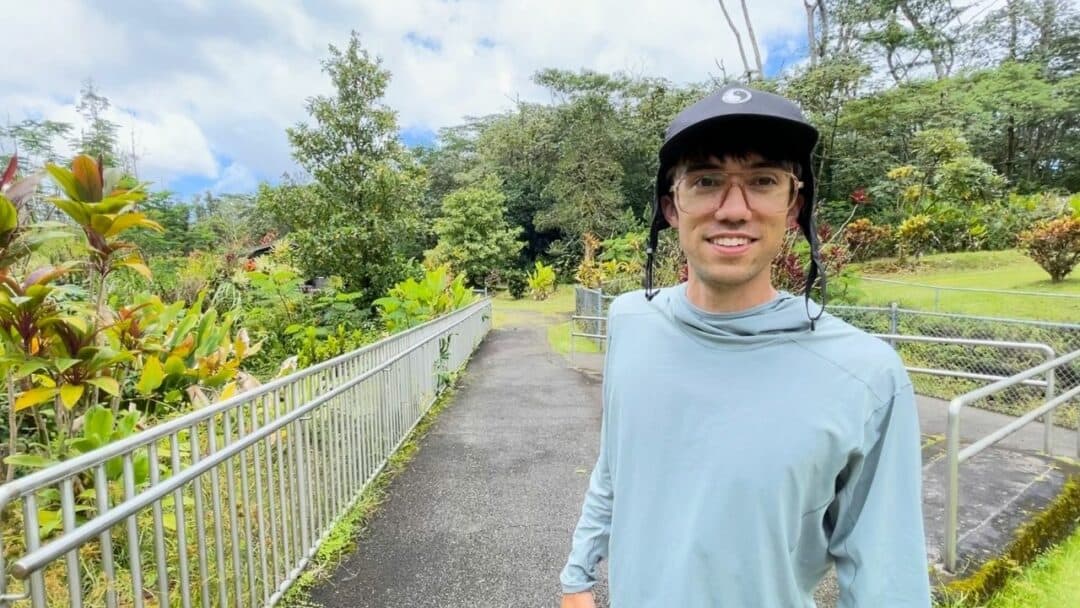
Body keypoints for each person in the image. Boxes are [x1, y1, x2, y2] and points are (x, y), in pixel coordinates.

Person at [559, 85, 931, 607]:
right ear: (671, 206)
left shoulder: (866, 375)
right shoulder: (631, 321)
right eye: (706, 181)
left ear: (794, 204)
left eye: (762, 181)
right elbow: (616, 462)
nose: (733, 210)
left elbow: (885, 577)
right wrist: (577, 576)